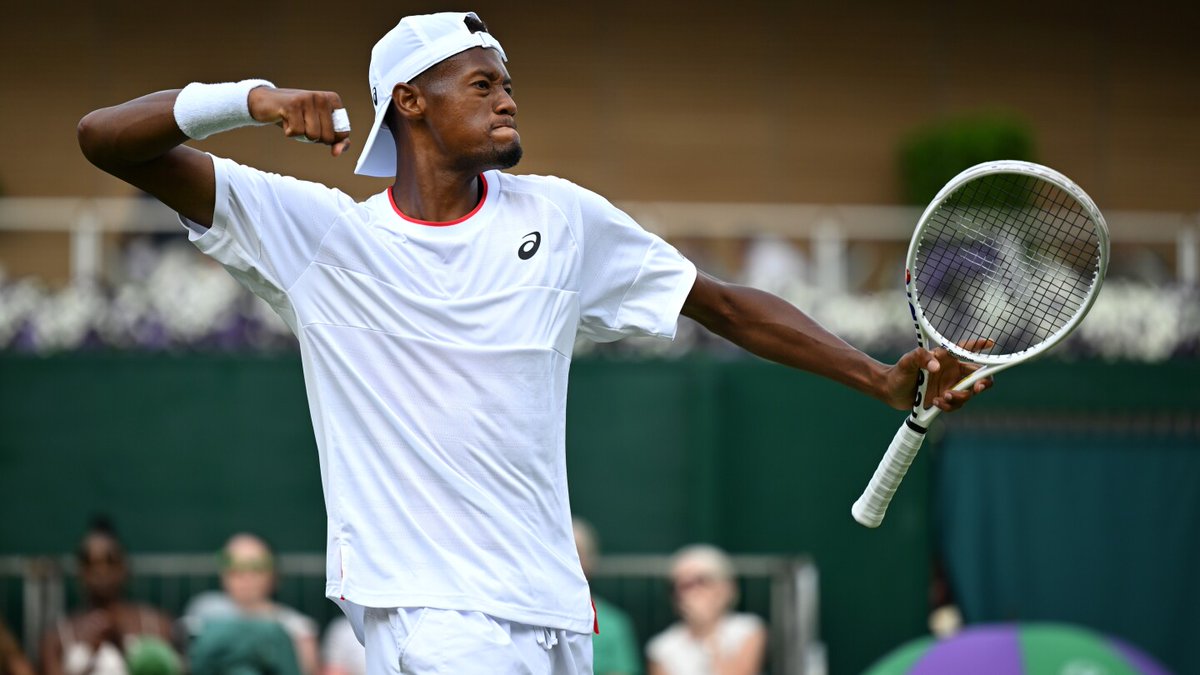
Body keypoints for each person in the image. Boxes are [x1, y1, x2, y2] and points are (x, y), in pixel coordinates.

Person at [75, 11, 990, 674]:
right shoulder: (320, 235)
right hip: (429, 612)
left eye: (509, 83)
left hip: (553, 609)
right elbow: (106, 141)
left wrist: (875, 376)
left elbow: (720, 304)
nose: (508, 100)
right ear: (410, 101)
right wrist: (252, 100)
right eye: (482, 83)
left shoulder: (562, 216)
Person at [39, 519, 180, 675]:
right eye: (90, 563)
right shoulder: (58, 638)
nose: (100, 571)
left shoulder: (158, 625)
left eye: (110, 561)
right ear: (80, 572)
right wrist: (90, 654)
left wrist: (122, 648)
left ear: (124, 567)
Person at [182, 533, 319, 675]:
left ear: (274, 574)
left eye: (257, 567)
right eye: (234, 566)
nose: (246, 576)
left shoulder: (298, 627)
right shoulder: (204, 610)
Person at [647, 545, 766, 675]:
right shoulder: (662, 647)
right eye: (683, 585)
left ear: (724, 587)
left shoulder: (748, 629)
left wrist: (708, 631)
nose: (692, 593)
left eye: (701, 581)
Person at [572, 518, 641, 675]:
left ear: (591, 561)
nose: (569, 561)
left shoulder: (614, 623)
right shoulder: (528, 616)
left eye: (577, 553)